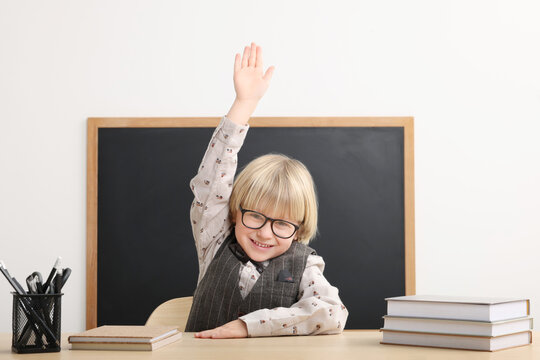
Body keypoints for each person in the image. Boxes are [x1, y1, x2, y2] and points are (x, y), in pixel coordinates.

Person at [186, 42, 348, 339]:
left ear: (298, 231)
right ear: (234, 214)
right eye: (256, 216)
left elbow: (331, 313)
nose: (264, 233)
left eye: (282, 224)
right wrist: (244, 103)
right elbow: (212, 177)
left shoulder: (305, 265)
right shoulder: (215, 240)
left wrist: (249, 325)